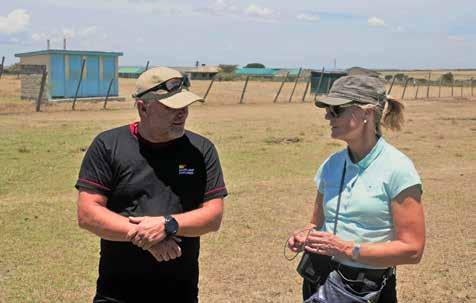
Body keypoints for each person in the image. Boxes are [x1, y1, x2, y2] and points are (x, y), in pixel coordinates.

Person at [75, 66, 227, 303]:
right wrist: (145, 235)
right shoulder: (108, 145)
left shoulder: (201, 150)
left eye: (185, 105)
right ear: (142, 107)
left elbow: (213, 216)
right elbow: (88, 213)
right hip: (116, 293)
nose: (182, 113)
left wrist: (168, 224)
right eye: (171, 107)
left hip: (180, 291)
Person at [287, 75, 425, 302]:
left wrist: (347, 250)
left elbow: (412, 249)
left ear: (367, 114)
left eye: (337, 109)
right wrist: (305, 234)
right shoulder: (331, 165)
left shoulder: (398, 169)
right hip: (319, 281)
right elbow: (316, 223)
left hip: (365, 290)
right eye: (328, 109)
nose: (327, 116)